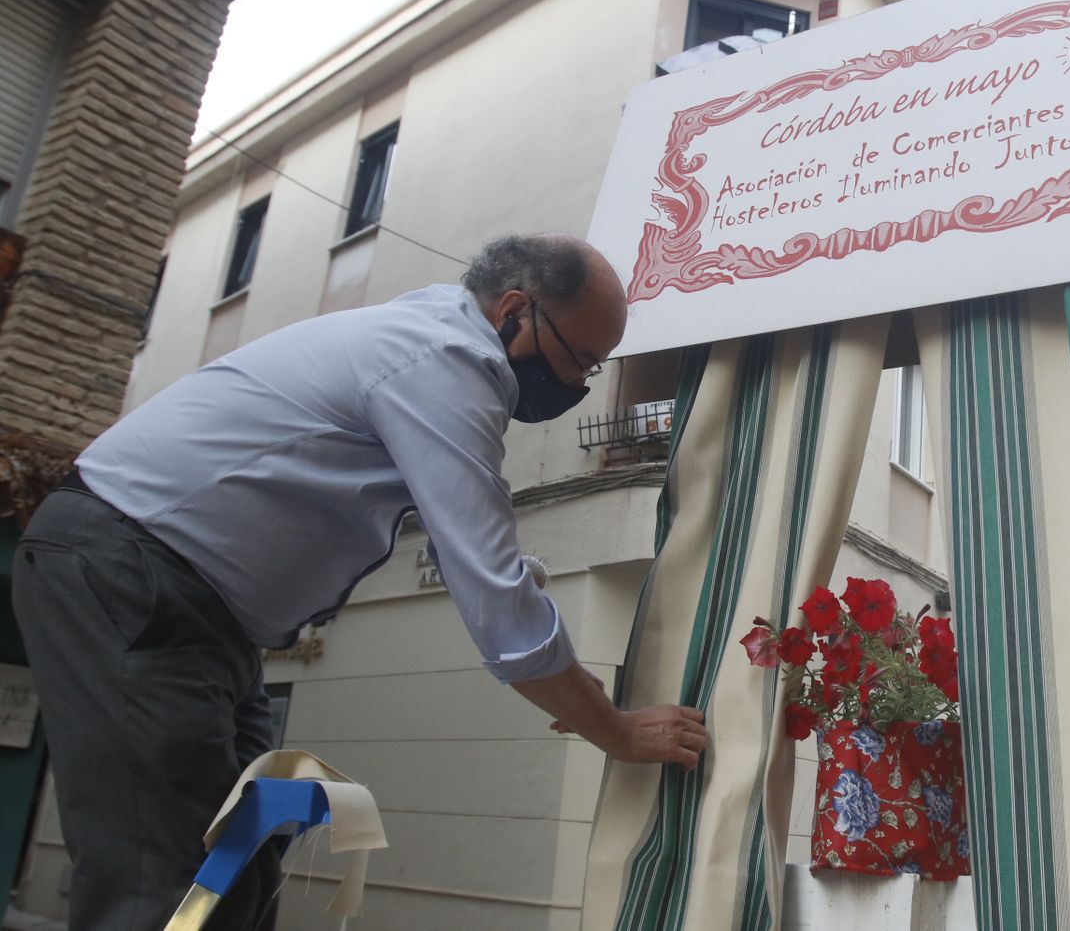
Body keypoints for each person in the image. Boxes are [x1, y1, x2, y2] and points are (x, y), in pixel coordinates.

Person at [13, 234, 708, 931]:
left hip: (196, 608)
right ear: (513, 311)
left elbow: (482, 550)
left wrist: (570, 688)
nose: (581, 384)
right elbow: (495, 593)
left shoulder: (431, 341)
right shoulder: (445, 359)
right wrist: (614, 729)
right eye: (580, 357)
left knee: (237, 857)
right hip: (134, 573)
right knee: (165, 876)